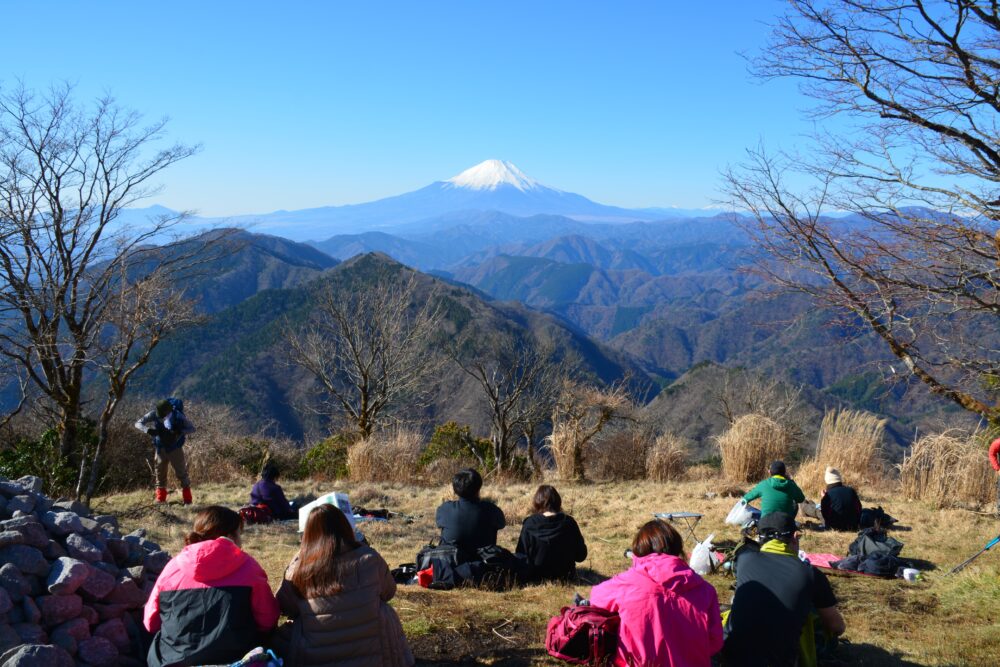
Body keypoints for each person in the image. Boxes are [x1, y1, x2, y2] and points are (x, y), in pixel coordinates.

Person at [274, 504, 414, 666]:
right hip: (374, 655)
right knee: (384, 609)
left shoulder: (299, 567)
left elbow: (284, 607)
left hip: (316, 653)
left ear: (307, 533)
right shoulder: (369, 558)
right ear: (345, 526)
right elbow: (389, 592)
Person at [143, 506, 279, 667]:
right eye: (239, 534)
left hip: (174, 660)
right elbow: (268, 620)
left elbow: (150, 623)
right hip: (236, 660)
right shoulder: (249, 567)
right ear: (230, 536)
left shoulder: (173, 567)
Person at [590, 520, 722, 666]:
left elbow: (595, 598)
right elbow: (715, 642)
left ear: (639, 550)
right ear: (678, 549)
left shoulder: (625, 583)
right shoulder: (706, 590)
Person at [723, 512, 846, 667]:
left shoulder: (744, 559)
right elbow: (837, 627)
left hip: (731, 657)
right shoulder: (810, 574)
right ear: (795, 537)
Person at [516, 484, 587, 582]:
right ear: (558, 501)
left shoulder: (529, 524)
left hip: (536, 576)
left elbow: (520, 555)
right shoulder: (569, 523)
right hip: (566, 576)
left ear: (537, 502)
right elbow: (581, 555)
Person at [435, 468, 505, 563]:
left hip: (451, 565)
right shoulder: (492, 510)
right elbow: (501, 524)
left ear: (455, 490)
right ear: (479, 488)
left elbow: (439, 523)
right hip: (483, 564)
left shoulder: (445, 509)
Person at [135, 398, 196, 504]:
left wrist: (179, 431)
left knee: (182, 474)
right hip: (160, 448)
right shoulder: (154, 414)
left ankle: (187, 500)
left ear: (168, 411)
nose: (160, 416)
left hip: (175, 448)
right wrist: (148, 430)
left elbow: (192, 428)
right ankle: (160, 500)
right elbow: (138, 423)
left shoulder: (177, 415)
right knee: (160, 474)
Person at [820, 467, 862, 531]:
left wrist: (823, 498)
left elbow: (825, 514)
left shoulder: (828, 495)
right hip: (853, 526)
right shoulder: (851, 491)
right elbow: (859, 509)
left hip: (835, 527)